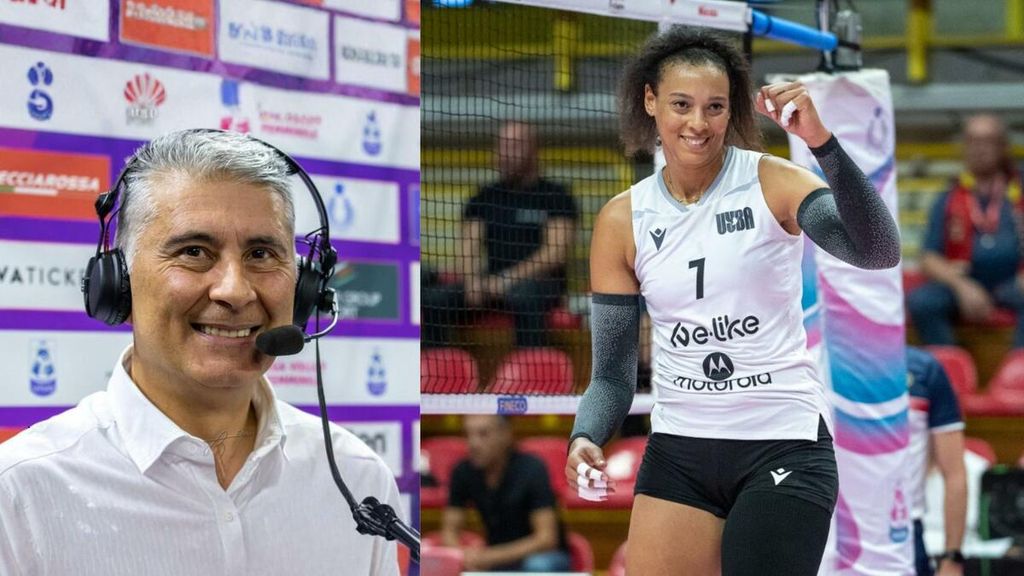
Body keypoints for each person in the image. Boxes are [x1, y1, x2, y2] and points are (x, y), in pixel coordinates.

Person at [564, 27, 901, 576]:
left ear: (731, 110)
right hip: (680, 452)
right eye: (681, 105)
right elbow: (611, 378)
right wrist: (584, 437)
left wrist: (821, 143)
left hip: (780, 443)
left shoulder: (774, 184)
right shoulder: (622, 219)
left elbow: (879, 251)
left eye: (715, 107)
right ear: (650, 101)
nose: (698, 123)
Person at [0, 131, 401, 575]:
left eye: (261, 254)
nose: (234, 290)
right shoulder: (18, 495)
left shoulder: (359, 479)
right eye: (194, 252)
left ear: (306, 289)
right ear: (118, 284)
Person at [422, 120, 578, 348]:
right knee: (434, 300)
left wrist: (507, 280)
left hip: (537, 285)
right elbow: (468, 247)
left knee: (526, 297)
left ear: (533, 149)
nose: (505, 153)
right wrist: (472, 281)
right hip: (489, 284)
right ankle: (439, 366)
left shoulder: (555, 196)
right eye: (502, 146)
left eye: (514, 145)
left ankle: (530, 366)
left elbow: (555, 253)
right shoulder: (485, 197)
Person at [908, 114, 1024, 347]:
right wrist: (962, 286)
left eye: (987, 141)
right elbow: (928, 257)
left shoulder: (1019, 190)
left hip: (1014, 281)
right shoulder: (949, 196)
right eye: (973, 141)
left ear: (1003, 146)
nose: (980, 149)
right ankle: (952, 365)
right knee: (922, 302)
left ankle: (1018, 366)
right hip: (965, 280)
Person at [442, 415, 570, 572]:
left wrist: (490, 556)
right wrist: (463, 555)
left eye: (483, 434)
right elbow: (449, 531)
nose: (473, 443)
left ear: (506, 434)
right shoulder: (462, 471)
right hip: (494, 555)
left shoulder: (532, 468)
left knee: (538, 565)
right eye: (468, 435)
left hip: (541, 556)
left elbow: (546, 539)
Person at [906, 346, 968, 576]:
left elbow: (954, 473)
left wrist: (952, 557)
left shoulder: (924, 369)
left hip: (906, 528)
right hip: (836, 525)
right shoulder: (822, 361)